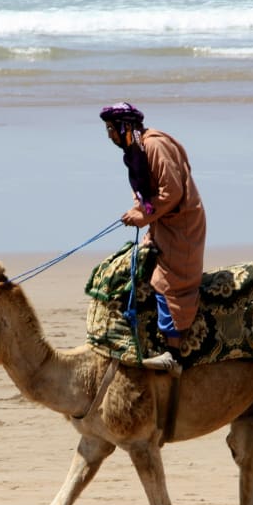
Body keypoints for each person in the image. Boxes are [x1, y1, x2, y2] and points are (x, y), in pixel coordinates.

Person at [99, 102, 206, 370]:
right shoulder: (138, 149)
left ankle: (173, 353)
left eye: (112, 129)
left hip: (181, 226)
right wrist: (137, 212)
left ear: (126, 126)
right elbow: (149, 196)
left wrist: (143, 217)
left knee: (166, 284)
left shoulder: (155, 146)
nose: (110, 136)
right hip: (162, 224)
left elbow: (171, 193)